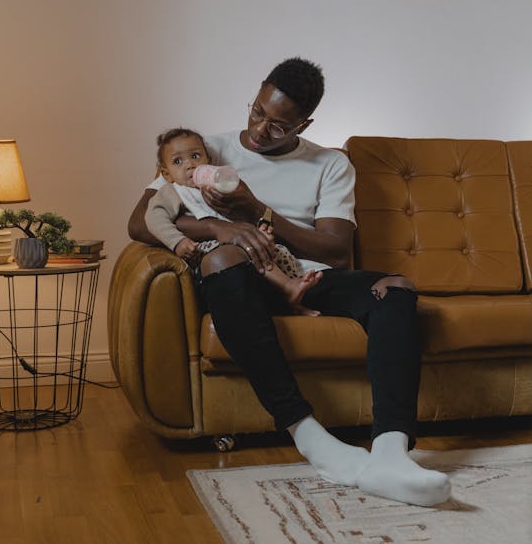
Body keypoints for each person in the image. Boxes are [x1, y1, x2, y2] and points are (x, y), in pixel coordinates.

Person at [128, 57, 451, 507]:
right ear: (256, 95)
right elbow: (141, 221)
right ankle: (312, 440)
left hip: (308, 276)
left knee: (394, 289)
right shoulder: (202, 151)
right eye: (257, 112)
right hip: (239, 281)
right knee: (222, 262)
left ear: (305, 122)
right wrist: (222, 229)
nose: (261, 130)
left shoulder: (329, 164)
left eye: (279, 126)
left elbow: (335, 250)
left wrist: (257, 211)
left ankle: (390, 454)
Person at [147, 126, 323, 314]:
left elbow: (237, 220)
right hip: (208, 252)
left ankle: (292, 299)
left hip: (239, 244)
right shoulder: (174, 192)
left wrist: (260, 230)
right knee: (247, 252)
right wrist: (177, 241)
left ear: (209, 160)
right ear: (166, 174)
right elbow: (154, 217)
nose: (190, 165)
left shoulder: (218, 187)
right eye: (178, 161)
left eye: (196, 156)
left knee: (273, 250)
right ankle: (289, 287)